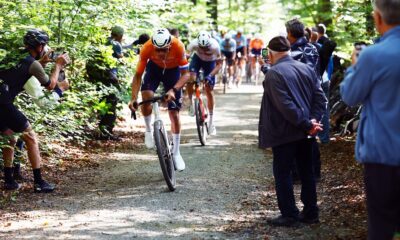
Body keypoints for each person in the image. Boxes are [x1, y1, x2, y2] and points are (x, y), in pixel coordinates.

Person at [340, 0, 400, 238]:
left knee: (382, 225)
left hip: (383, 155)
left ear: (378, 18)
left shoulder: (373, 56)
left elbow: (350, 96)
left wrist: (354, 67)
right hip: (384, 154)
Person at [259, 36, 326, 227]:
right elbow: (320, 99)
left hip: (285, 132)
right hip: (306, 132)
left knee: (283, 172)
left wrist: (307, 123)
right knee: (307, 171)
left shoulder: (273, 74)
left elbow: (285, 106)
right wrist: (313, 122)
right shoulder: (306, 68)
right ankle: (311, 212)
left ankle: (289, 214)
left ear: (271, 54)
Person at [0, 29, 70, 192]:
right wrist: (58, 66)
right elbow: (51, 85)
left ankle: (9, 180)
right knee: (31, 137)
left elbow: (23, 72)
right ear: (39, 46)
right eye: (44, 45)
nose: (45, 49)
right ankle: (38, 182)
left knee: (9, 136)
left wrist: (42, 63)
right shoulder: (32, 64)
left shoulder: (14, 56)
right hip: (3, 104)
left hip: (2, 101)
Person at [129, 28, 189, 171]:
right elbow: (138, 75)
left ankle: (176, 153)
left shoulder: (178, 46)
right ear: (153, 46)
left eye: (164, 50)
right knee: (146, 95)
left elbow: (186, 74)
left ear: (170, 45)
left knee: (174, 113)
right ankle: (149, 130)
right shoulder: (146, 48)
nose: (161, 53)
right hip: (154, 69)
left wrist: (173, 90)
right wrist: (133, 98)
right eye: (158, 50)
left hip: (173, 72)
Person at [286, 18, 323, 181]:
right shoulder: (313, 48)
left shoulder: (291, 53)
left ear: (289, 33)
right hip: (314, 95)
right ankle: (313, 172)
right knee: (311, 133)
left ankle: (296, 173)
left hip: (297, 95)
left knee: (295, 132)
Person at [186, 31, 222, 135]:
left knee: (209, 89)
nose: (204, 50)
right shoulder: (193, 44)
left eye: (206, 48)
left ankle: (211, 120)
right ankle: (191, 102)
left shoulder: (215, 46)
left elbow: (219, 65)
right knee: (191, 78)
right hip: (197, 60)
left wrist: (210, 75)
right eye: (201, 48)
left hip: (210, 63)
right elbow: (185, 58)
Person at [98, 25, 124, 140]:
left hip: (99, 78)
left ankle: (102, 131)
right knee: (111, 104)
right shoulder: (116, 44)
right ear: (120, 35)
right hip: (111, 78)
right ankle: (107, 132)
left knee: (102, 103)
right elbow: (120, 59)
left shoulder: (103, 42)